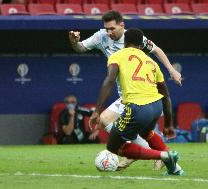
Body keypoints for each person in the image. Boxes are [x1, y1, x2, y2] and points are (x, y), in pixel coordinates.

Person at [69, 10, 182, 170]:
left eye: (112, 29)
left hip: (139, 93)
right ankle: (149, 154)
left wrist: (172, 70)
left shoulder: (135, 38)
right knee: (107, 120)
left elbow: (157, 50)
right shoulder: (101, 36)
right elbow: (80, 48)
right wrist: (74, 41)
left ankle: (149, 154)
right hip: (126, 95)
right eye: (106, 28)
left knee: (134, 131)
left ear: (122, 25)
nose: (109, 32)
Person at [90, 28, 184, 175]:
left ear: (125, 42)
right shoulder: (152, 62)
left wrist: (96, 111)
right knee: (147, 132)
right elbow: (166, 96)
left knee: (114, 147)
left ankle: (162, 156)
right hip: (156, 107)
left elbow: (109, 81)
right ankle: (175, 168)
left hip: (137, 107)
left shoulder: (117, 56)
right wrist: (168, 124)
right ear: (142, 45)